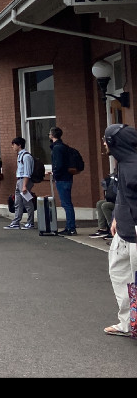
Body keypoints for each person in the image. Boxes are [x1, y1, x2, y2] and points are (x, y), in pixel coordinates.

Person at [101, 123, 137, 337]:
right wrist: (115, 217)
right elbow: (123, 194)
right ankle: (127, 323)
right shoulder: (122, 163)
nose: (104, 143)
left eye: (106, 139)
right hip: (123, 233)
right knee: (119, 275)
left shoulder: (134, 167)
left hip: (134, 234)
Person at [49, 126, 77, 236]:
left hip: (62, 179)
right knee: (67, 203)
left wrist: (55, 173)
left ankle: (71, 227)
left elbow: (59, 164)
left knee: (66, 204)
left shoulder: (57, 148)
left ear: (52, 135)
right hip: (67, 177)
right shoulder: (64, 146)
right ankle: (70, 226)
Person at [4, 137, 36, 230]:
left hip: (24, 180)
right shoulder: (19, 156)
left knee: (27, 202)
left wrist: (25, 185)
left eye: (14, 144)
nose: (12, 146)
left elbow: (27, 172)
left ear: (19, 145)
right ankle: (16, 222)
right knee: (18, 202)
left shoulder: (26, 157)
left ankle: (30, 222)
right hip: (19, 180)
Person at [91, 172, 118, 239]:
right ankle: (103, 228)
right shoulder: (113, 178)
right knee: (99, 203)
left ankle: (111, 229)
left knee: (105, 206)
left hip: (119, 203)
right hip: (112, 200)